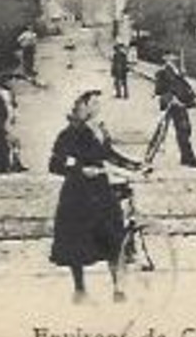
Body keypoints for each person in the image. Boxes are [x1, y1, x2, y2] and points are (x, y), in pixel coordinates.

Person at [48, 90, 146, 303]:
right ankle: (80, 290)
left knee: (113, 237)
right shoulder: (70, 133)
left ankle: (118, 290)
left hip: (101, 192)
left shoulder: (100, 131)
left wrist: (136, 165)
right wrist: (80, 170)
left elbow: (110, 155)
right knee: (76, 242)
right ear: (82, 106)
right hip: (77, 194)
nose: (97, 105)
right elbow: (55, 164)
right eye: (93, 102)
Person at [153, 51, 196, 167]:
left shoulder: (177, 70)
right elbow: (159, 90)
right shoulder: (162, 72)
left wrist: (190, 98)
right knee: (178, 130)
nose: (172, 59)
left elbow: (183, 86)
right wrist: (172, 99)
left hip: (181, 104)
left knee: (185, 130)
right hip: (172, 105)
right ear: (165, 58)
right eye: (170, 57)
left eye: (173, 57)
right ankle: (188, 157)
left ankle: (186, 156)